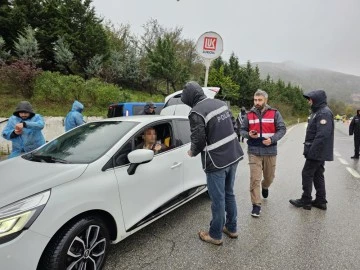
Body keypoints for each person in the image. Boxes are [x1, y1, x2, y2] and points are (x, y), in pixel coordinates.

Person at [181, 81, 244, 246]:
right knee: (229, 193)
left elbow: (199, 139)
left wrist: (192, 151)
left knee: (218, 199)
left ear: (189, 97)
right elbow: (234, 125)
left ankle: (215, 234)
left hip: (216, 161)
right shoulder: (220, 103)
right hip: (233, 155)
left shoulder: (196, 112)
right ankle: (232, 228)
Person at [240, 89, 286, 217]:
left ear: (265, 100)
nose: (257, 102)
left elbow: (282, 129)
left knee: (269, 177)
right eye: (255, 100)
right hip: (254, 151)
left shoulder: (275, 113)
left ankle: (265, 187)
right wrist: (248, 134)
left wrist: (272, 139)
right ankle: (256, 205)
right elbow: (242, 130)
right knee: (254, 178)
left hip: (270, 150)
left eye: (259, 100)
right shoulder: (248, 115)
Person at [289, 90, 334, 210]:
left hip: (317, 151)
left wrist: (312, 151)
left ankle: (306, 200)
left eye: (310, 99)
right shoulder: (318, 111)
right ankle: (320, 200)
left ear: (316, 99)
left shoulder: (323, 113)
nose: (308, 101)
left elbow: (322, 135)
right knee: (318, 174)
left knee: (307, 173)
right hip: (318, 150)